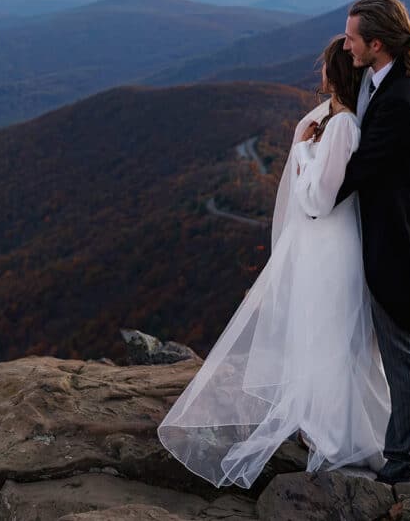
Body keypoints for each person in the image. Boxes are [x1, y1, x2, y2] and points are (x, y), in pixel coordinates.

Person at [158, 37, 391, 488]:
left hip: (330, 241)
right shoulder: (332, 116)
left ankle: (341, 436)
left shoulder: (342, 125)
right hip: (318, 244)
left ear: (338, 71)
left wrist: (303, 152)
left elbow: (321, 200)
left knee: (331, 331)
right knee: (316, 327)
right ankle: (320, 421)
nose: (319, 72)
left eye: (325, 65)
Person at [335, 0, 410, 484]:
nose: (346, 45)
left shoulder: (399, 98)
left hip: (395, 237)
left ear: (376, 43)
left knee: (399, 344)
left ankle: (404, 462)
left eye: (353, 38)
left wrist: (314, 194)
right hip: (403, 228)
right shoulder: (389, 82)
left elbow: (364, 166)